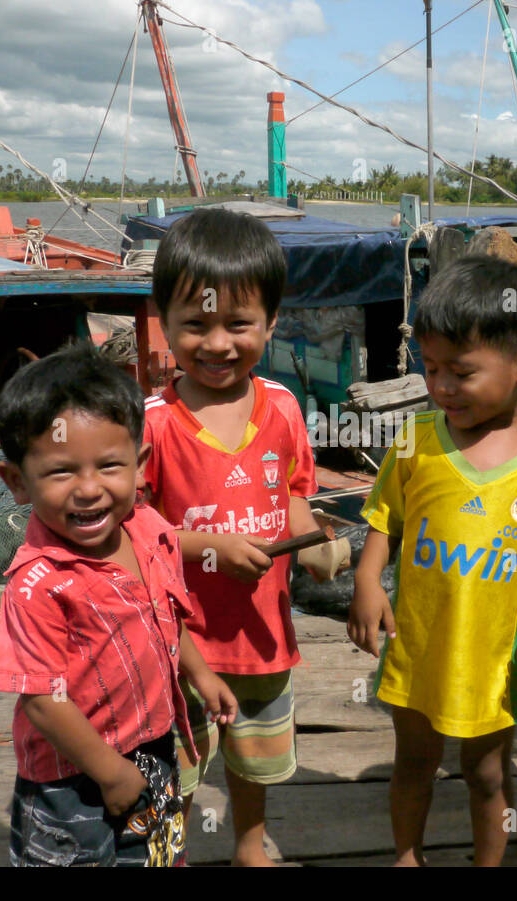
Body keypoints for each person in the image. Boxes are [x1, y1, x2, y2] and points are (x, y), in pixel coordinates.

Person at [347, 255, 517, 866]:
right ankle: (407, 855)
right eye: (431, 367)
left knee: (488, 774)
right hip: (417, 646)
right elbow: (386, 517)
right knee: (414, 763)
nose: (440, 386)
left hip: (493, 658)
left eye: (459, 372)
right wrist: (367, 579)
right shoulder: (416, 436)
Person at [143, 208, 347, 866]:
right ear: (163, 322)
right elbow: (131, 536)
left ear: (271, 322)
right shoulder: (151, 423)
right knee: (169, 766)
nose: (218, 343)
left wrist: (316, 545)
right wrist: (210, 549)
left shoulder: (284, 408)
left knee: (253, 762)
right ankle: (163, 850)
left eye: (239, 324)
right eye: (195, 325)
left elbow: (289, 494)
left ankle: (249, 846)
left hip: (261, 636)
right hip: (177, 643)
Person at [0, 342, 237, 867]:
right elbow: (41, 699)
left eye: (109, 465)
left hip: (153, 745)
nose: (88, 489)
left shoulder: (148, 530)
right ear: (17, 481)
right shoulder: (37, 585)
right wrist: (109, 770)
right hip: (72, 778)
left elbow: (164, 617)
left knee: (156, 854)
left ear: (140, 465)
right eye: (61, 472)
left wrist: (200, 672)